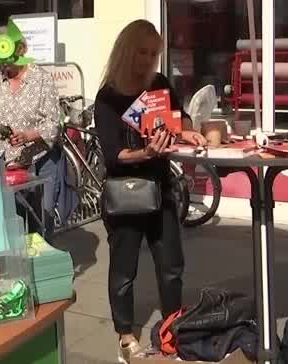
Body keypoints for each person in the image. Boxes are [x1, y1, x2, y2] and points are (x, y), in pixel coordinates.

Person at [93, 20, 206, 363]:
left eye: (153, 53)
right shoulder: (108, 96)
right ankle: (125, 336)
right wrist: (146, 153)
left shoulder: (158, 84)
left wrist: (186, 132)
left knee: (171, 266)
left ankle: (173, 330)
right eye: (141, 52)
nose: (147, 60)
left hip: (161, 188)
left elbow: (179, 117)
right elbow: (113, 155)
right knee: (123, 271)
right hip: (124, 193)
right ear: (126, 51)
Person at [0, 26, 67, 228]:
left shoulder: (41, 79)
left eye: (4, 51)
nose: (2, 60)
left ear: (19, 49)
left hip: (39, 161)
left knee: (40, 225)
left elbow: (54, 124)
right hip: (5, 163)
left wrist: (27, 135)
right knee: (12, 225)